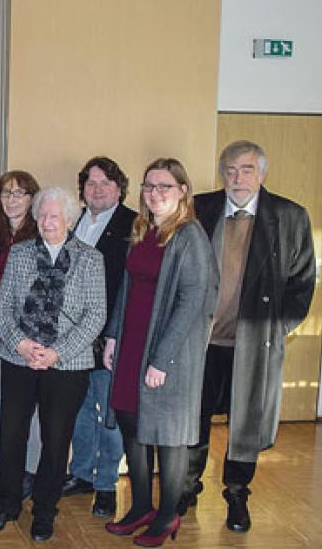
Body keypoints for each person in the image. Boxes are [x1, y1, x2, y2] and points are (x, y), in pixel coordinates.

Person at [183, 140, 315, 532]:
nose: (237, 178)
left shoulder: (289, 216)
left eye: (246, 170)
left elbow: (302, 283)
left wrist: (277, 330)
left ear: (261, 174)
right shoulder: (199, 210)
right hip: (202, 343)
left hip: (254, 345)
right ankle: (187, 488)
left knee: (246, 423)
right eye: (230, 170)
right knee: (194, 420)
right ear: (221, 173)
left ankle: (237, 494)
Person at [101, 158, 217, 547]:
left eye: (164, 186)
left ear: (183, 190)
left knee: (168, 437)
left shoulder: (190, 236)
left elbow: (193, 302)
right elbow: (127, 288)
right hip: (132, 342)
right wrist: (114, 337)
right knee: (132, 427)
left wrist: (160, 360)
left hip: (169, 353)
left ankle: (168, 514)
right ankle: (140, 507)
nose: (155, 193)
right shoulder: (143, 229)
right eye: (149, 186)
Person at [0, 186, 106, 541]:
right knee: (11, 434)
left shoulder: (90, 258)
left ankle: (44, 511)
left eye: (54, 215)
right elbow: (1, 306)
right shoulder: (19, 253)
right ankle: (7, 504)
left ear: (69, 219)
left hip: (67, 364)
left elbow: (95, 315)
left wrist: (57, 352)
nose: (46, 221)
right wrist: (21, 344)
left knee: (55, 440)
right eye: (42, 215)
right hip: (18, 357)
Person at [61, 157, 137, 517]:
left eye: (106, 183)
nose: (98, 189)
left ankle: (106, 484)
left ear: (119, 188)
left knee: (109, 416)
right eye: (91, 183)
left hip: (109, 340)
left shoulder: (132, 225)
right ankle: (81, 474)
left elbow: (130, 288)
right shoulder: (74, 222)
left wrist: (115, 335)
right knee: (78, 410)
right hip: (73, 339)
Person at [0, 170, 41, 504]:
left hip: (30, 341)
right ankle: (7, 474)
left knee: (29, 412)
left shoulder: (41, 234)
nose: (12, 199)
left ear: (33, 198)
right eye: (6, 193)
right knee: (7, 409)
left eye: (20, 193)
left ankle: (29, 472)